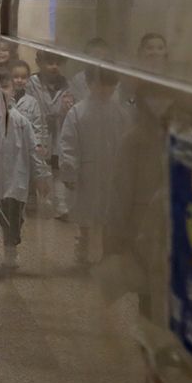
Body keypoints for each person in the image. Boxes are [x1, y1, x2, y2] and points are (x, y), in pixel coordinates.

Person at [57, 66, 132, 263]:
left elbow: (127, 142)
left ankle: (107, 249)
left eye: (110, 85)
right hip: (86, 170)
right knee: (85, 210)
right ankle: (83, 241)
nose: (105, 90)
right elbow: (68, 143)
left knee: (108, 212)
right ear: (89, 84)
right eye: (100, 85)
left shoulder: (120, 113)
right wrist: (69, 171)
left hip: (112, 170)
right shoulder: (78, 112)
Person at [0, 72, 49, 279]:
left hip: (15, 180)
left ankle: (11, 247)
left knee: (13, 219)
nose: (3, 90)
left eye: (6, 86)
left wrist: (41, 175)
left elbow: (33, 150)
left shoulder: (21, 122)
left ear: (13, 90)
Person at [26, 50, 73, 211]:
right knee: (38, 165)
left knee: (57, 167)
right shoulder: (31, 83)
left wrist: (66, 110)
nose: (54, 67)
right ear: (39, 63)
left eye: (58, 63)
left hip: (58, 132)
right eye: (50, 62)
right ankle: (38, 199)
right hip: (38, 131)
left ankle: (60, 203)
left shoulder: (67, 85)